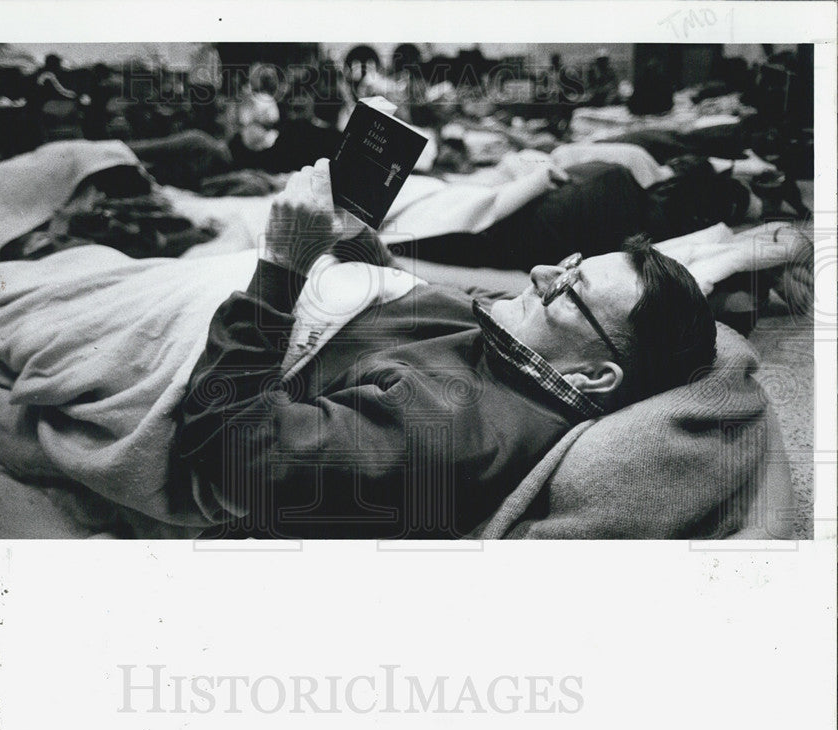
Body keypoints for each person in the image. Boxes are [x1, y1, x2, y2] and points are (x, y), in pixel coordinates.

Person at [176, 159, 717, 539]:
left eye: (569, 288)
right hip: (306, 293)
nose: (541, 271)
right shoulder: (517, 344)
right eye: (571, 263)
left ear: (592, 376)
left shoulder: (453, 427)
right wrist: (358, 239)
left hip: (219, 327)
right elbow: (420, 308)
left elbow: (230, 449)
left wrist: (282, 264)